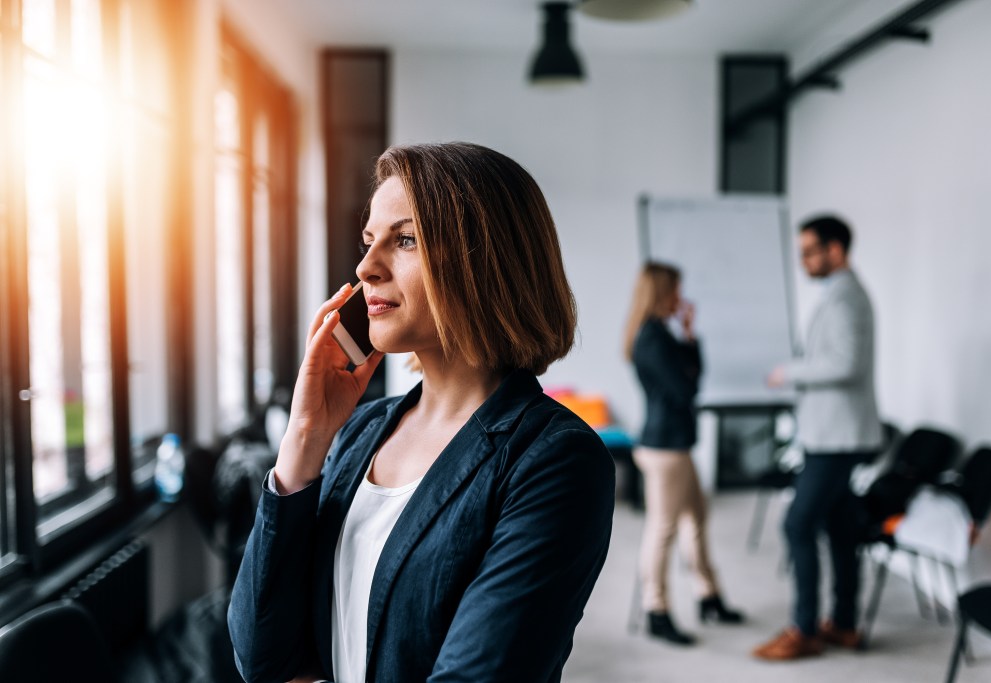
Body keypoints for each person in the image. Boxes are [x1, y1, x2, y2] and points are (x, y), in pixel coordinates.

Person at [228, 142, 616, 683]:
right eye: (368, 242)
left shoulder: (554, 460)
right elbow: (261, 657)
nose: (366, 267)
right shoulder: (359, 431)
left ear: (487, 263)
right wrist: (304, 440)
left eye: (405, 240)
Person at [754, 215, 883, 660]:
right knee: (840, 525)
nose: (803, 260)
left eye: (810, 251)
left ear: (836, 250)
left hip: (837, 437)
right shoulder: (840, 293)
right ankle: (844, 624)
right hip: (832, 433)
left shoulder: (846, 298)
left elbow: (846, 365)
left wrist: (789, 371)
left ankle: (804, 629)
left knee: (798, 524)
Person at [623, 262, 744, 646]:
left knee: (697, 519)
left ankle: (708, 596)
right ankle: (656, 611)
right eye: (676, 289)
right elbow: (686, 390)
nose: (681, 296)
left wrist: (690, 334)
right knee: (664, 529)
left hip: (676, 445)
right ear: (661, 291)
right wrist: (687, 359)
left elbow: (693, 375)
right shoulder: (652, 338)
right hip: (664, 449)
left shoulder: (662, 333)